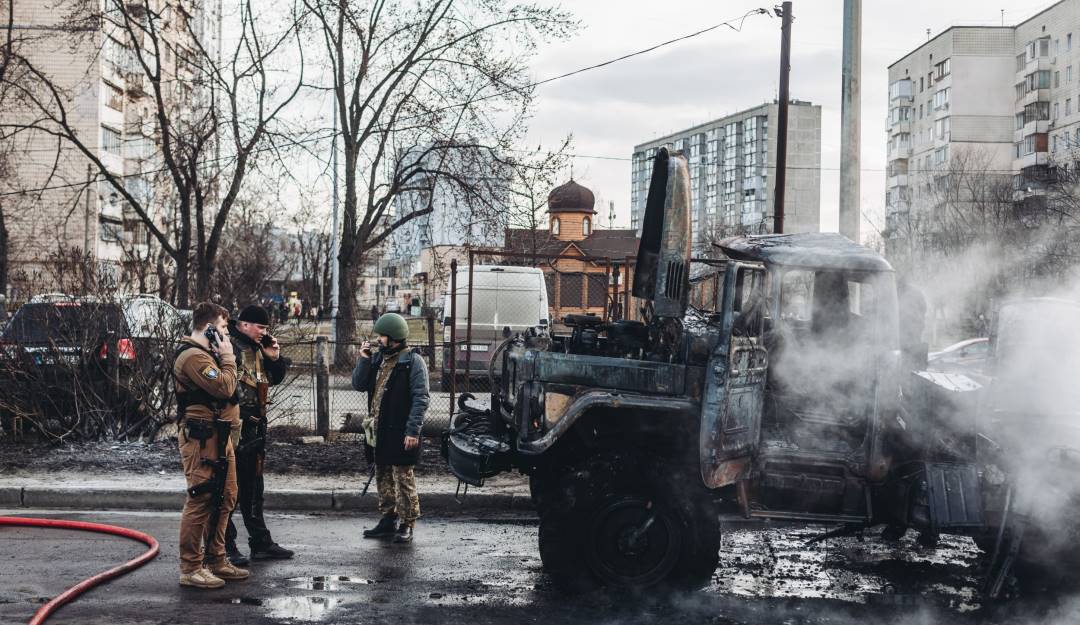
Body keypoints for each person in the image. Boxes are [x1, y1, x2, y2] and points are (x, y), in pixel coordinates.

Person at [174, 302, 248, 588]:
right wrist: (227, 357)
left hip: (221, 435)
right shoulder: (193, 357)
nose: (226, 335)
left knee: (227, 495)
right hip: (201, 438)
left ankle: (217, 558)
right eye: (223, 329)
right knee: (202, 497)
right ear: (208, 329)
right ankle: (191, 567)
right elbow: (225, 387)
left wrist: (224, 357)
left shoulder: (209, 355)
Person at [223, 304, 294, 565]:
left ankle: (260, 542)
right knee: (228, 490)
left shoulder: (257, 350)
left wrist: (274, 358)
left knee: (254, 489)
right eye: (259, 327)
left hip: (254, 428)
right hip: (233, 428)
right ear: (243, 325)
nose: (263, 331)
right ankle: (225, 544)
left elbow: (273, 379)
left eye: (266, 327)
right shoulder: (229, 346)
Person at [351, 313, 430, 543]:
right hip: (378, 429)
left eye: (382, 336)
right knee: (382, 474)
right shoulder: (378, 359)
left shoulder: (412, 362)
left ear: (393, 338)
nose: (378, 340)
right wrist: (364, 359)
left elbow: (421, 398)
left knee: (402, 476)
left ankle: (407, 523)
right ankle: (388, 519)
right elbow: (359, 384)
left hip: (401, 429)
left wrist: (413, 431)